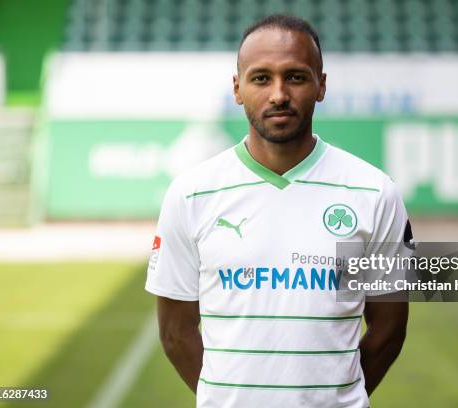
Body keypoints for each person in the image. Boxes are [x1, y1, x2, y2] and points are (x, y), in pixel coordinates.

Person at [145, 14, 410, 408]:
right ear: (237, 89)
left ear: (321, 85)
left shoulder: (375, 192)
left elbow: (389, 328)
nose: (279, 94)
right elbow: (175, 331)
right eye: (261, 78)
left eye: (297, 77)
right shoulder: (190, 194)